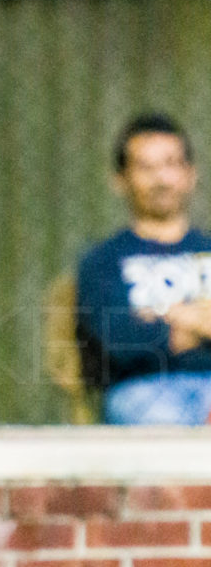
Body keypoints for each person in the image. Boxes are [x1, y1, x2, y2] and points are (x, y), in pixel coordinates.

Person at [76, 112, 211, 425]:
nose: (161, 179)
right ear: (120, 180)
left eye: (170, 164)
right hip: (143, 392)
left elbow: (141, 330)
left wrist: (167, 316)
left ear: (191, 173)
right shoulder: (104, 260)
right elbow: (119, 341)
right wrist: (199, 320)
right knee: (166, 430)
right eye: (146, 168)